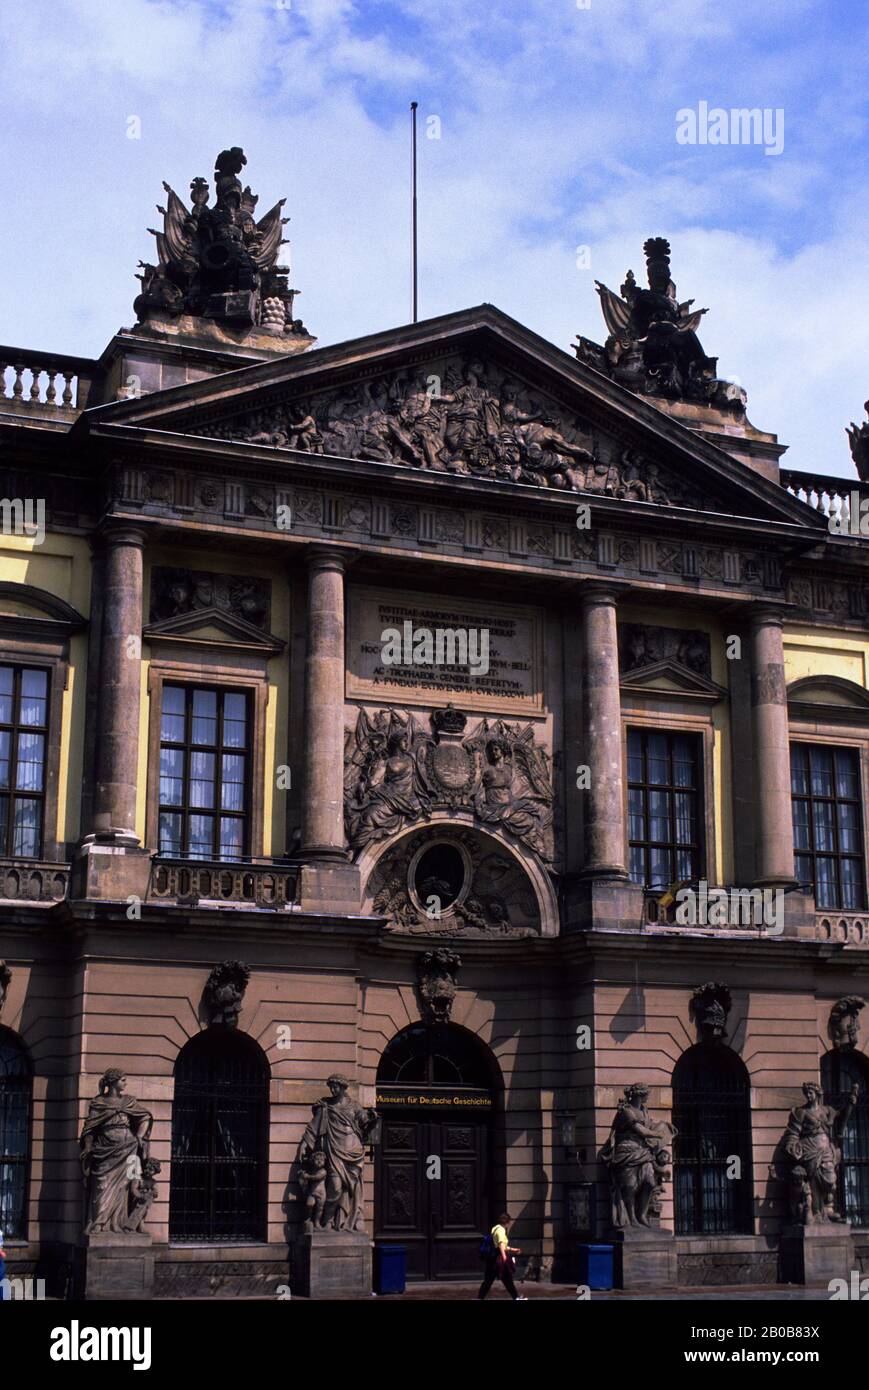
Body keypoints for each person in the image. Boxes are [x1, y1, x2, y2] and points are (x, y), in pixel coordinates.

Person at [477, 1213, 527, 1301]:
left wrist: (513, 1249)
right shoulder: (501, 1230)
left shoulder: (495, 1228)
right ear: (507, 1222)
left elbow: (501, 1245)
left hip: (493, 1258)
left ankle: (480, 1298)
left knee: (489, 1280)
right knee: (507, 1280)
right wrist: (504, 1257)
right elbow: (500, 1244)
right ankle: (516, 1297)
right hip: (498, 1258)